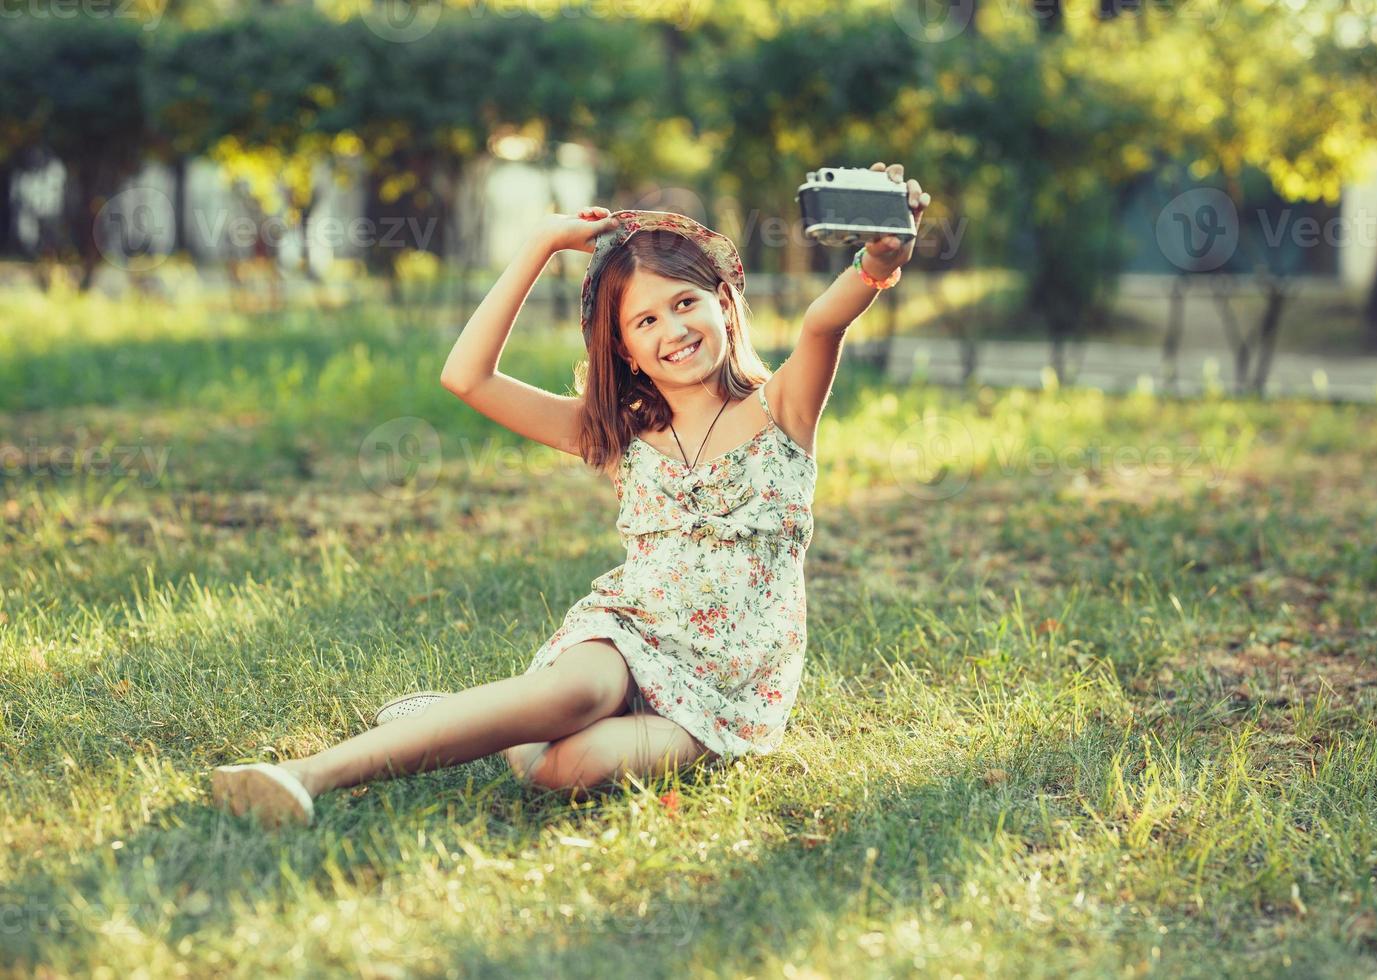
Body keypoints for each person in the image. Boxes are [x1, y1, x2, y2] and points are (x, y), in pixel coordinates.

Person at [211, 162, 930, 828]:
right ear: (621, 349)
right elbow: (467, 378)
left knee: (561, 767)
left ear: (723, 303)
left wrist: (878, 261)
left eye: (685, 304)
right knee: (573, 695)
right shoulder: (618, 434)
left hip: (728, 691)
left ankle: (478, 721)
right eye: (644, 322)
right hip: (629, 635)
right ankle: (304, 774)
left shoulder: (782, 411)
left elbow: (821, 323)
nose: (673, 330)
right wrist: (542, 245)